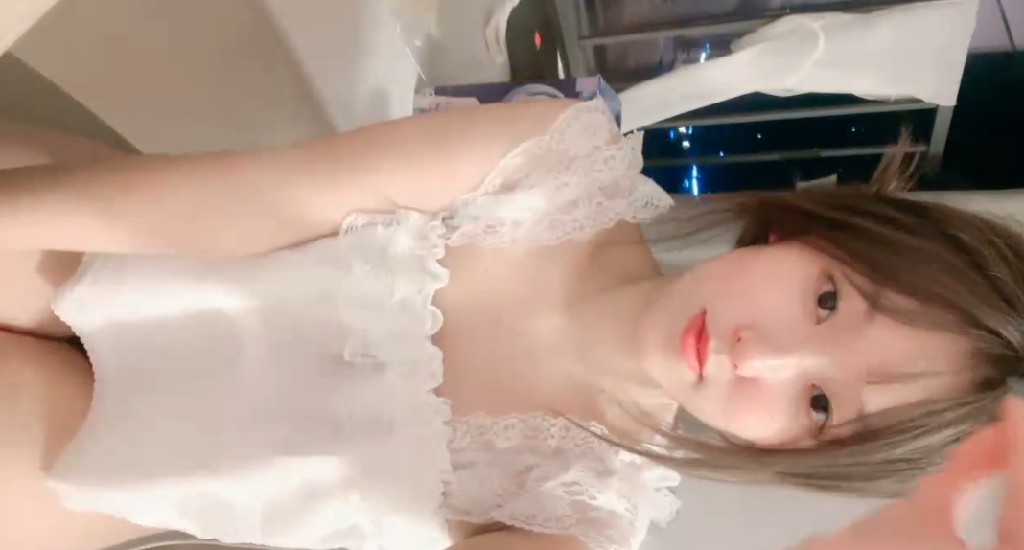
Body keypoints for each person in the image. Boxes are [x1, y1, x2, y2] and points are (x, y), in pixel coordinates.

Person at [0, 99, 1021, 550]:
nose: (763, 353)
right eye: (827, 299)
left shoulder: (585, 509)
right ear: (805, 233)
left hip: (97, 457)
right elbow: (248, 198)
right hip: (112, 246)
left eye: (818, 402)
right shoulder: (552, 165)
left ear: (797, 450)